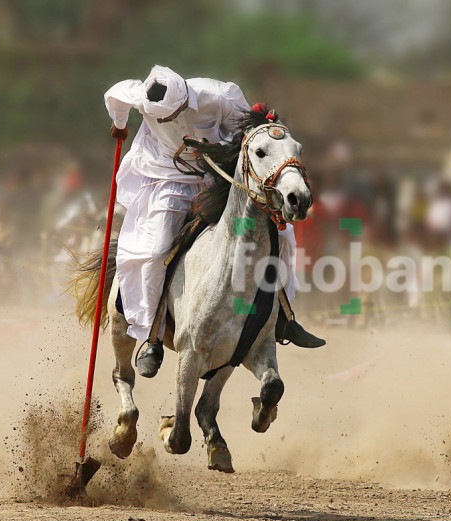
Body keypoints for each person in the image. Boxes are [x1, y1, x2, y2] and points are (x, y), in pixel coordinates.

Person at [105, 65, 323, 378]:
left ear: (185, 99)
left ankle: (283, 319)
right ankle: (152, 337)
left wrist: (217, 150)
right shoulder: (139, 95)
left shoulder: (220, 94)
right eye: (160, 118)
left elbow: (251, 138)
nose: (166, 121)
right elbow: (113, 96)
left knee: (280, 235)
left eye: (172, 114)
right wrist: (120, 124)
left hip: (218, 175)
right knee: (155, 250)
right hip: (168, 177)